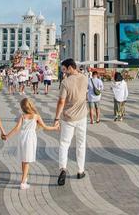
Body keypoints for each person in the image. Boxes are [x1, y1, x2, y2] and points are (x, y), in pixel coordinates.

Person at [3, 97, 58, 189]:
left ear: (23, 108)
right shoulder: (36, 116)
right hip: (30, 138)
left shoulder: (22, 116)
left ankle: (24, 177)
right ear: (31, 105)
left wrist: (7, 136)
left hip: (22, 137)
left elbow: (16, 129)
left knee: (23, 160)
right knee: (27, 161)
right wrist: (55, 128)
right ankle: (23, 182)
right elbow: (45, 127)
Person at [54, 58, 88, 186]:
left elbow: (61, 101)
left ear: (70, 68)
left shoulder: (65, 82)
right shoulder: (85, 78)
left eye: (64, 69)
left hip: (68, 117)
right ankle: (80, 170)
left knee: (64, 144)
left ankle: (63, 168)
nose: (64, 71)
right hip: (82, 117)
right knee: (81, 144)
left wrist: (56, 118)